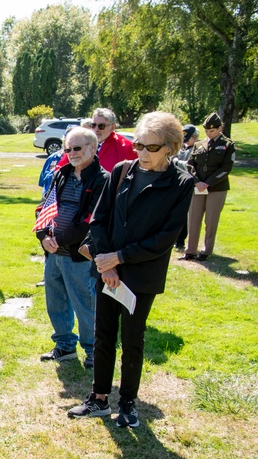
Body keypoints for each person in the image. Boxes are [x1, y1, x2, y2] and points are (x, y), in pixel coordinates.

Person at [69, 112, 195, 427]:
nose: (141, 153)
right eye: (138, 145)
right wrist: (105, 261)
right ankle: (98, 398)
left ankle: (127, 403)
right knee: (103, 336)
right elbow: (98, 221)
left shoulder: (181, 183)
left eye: (151, 148)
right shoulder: (121, 172)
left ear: (171, 147)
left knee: (133, 339)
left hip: (141, 274)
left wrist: (120, 258)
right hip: (107, 269)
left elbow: (166, 238)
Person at [34, 127, 107, 370]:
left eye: (77, 148)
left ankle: (93, 351)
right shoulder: (61, 173)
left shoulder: (102, 179)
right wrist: (44, 237)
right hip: (52, 252)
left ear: (92, 148)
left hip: (78, 255)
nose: (71, 153)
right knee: (55, 302)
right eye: (67, 148)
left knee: (85, 304)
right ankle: (64, 345)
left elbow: (90, 220)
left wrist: (59, 241)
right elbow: (43, 206)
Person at [183, 112, 235, 261]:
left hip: (216, 188)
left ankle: (206, 251)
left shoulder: (228, 145)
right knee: (193, 218)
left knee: (211, 220)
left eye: (212, 131)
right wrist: (197, 181)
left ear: (220, 129)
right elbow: (190, 165)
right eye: (206, 131)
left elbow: (226, 168)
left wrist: (208, 183)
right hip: (198, 186)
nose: (209, 133)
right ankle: (190, 250)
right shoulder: (199, 144)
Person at [58, 108, 137, 173]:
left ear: (113, 127)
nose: (96, 129)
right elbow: (61, 168)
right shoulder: (79, 142)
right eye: (93, 125)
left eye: (101, 126)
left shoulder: (127, 147)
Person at [174, 124, 198, 251]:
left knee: (189, 214)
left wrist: (177, 162)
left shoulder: (196, 149)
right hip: (178, 183)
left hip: (191, 182)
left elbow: (191, 165)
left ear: (194, 137)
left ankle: (182, 241)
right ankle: (178, 239)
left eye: (188, 138)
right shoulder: (182, 148)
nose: (185, 140)